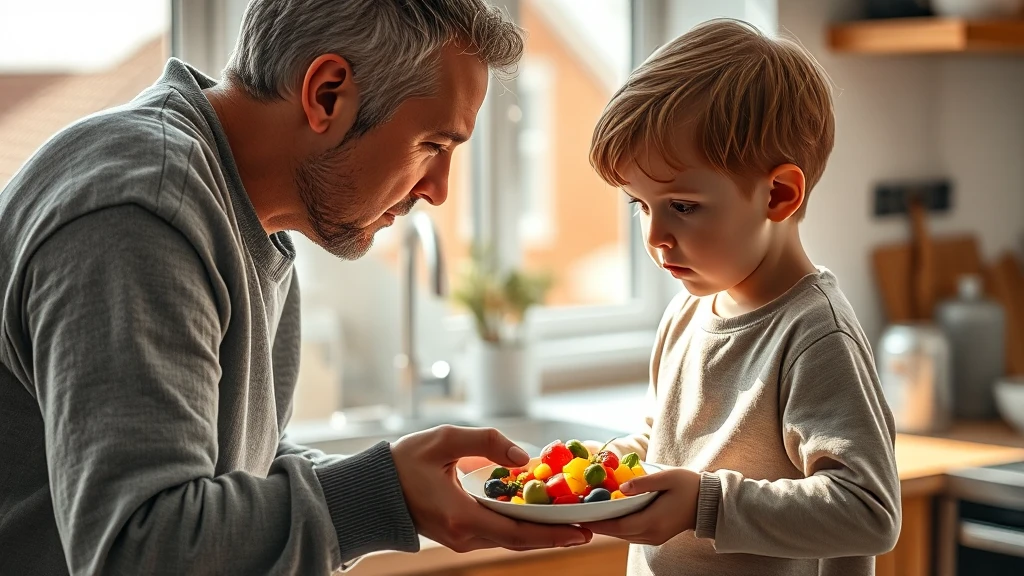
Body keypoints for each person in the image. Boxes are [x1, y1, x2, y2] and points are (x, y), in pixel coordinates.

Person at [0, 1, 591, 574]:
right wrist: (384, 494)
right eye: (432, 145)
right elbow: (142, 549)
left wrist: (398, 481)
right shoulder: (145, 213)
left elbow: (236, 474)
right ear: (327, 94)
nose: (436, 190)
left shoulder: (246, 215)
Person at [580, 19, 902, 575]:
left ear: (778, 195)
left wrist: (707, 505)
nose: (655, 236)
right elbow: (665, 446)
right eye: (640, 205)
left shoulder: (815, 335)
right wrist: (600, 463)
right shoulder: (686, 313)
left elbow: (869, 510)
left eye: (682, 206)